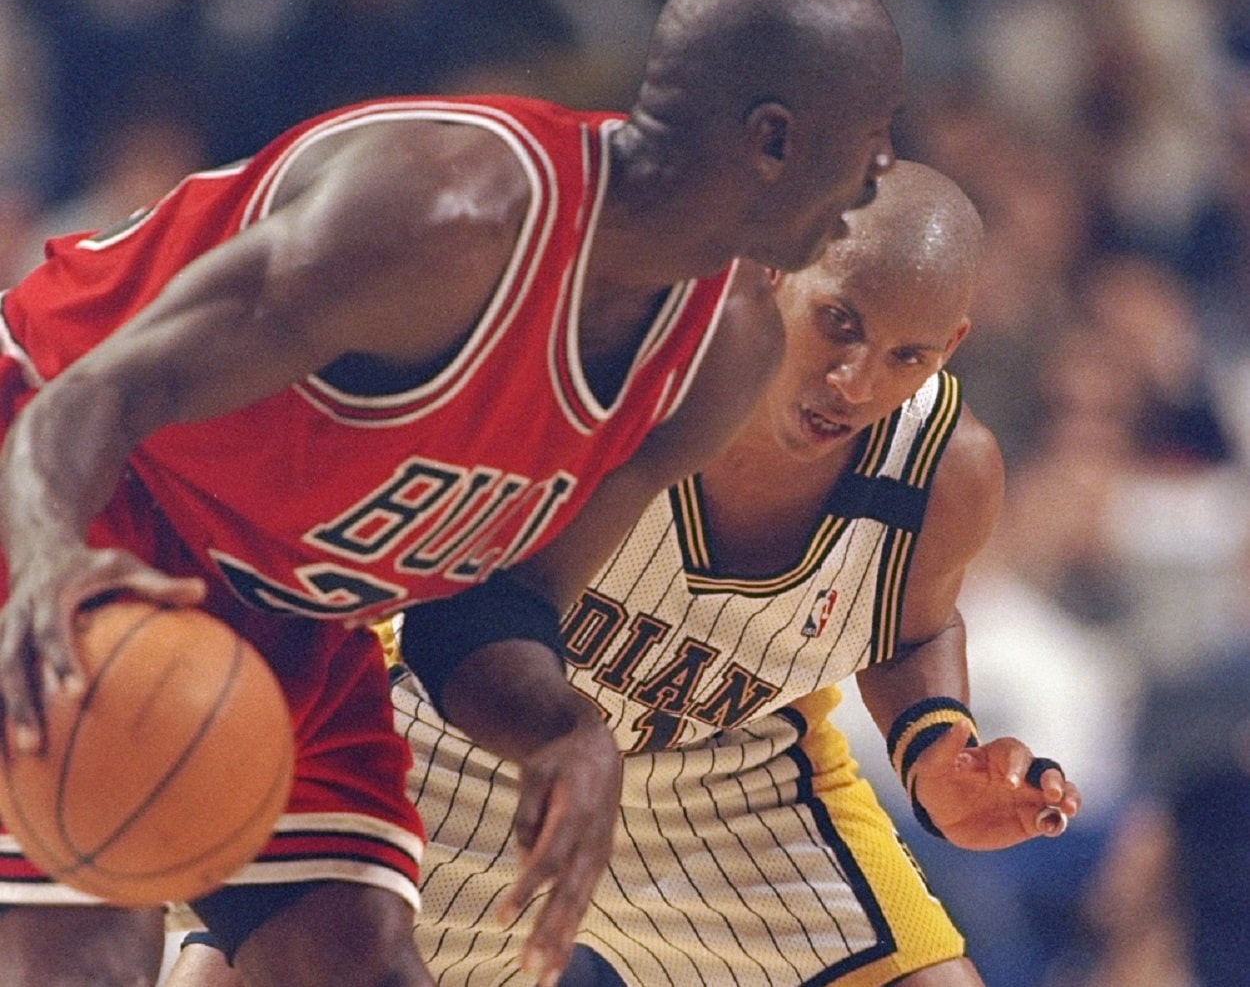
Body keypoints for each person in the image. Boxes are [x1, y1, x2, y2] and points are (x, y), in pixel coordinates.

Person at [0, 0, 904, 987]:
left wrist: (566, 732)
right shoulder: (444, 218)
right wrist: (48, 561)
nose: (878, 178)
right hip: (74, 482)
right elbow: (91, 399)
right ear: (773, 141)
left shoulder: (720, 354)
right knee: (88, 950)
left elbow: (488, 607)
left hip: (287, 600)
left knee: (360, 964)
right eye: (873, 142)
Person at [167, 161, 1081, 987]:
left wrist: (934, 750)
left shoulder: (947, 469)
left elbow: (910, 627)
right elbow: (458, 594)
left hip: (727, 775)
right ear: (776, 268)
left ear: (952, 344)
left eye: (906, 357)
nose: (854, 379)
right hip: (467, 730)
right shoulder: (628, 365)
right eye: (839, 322)